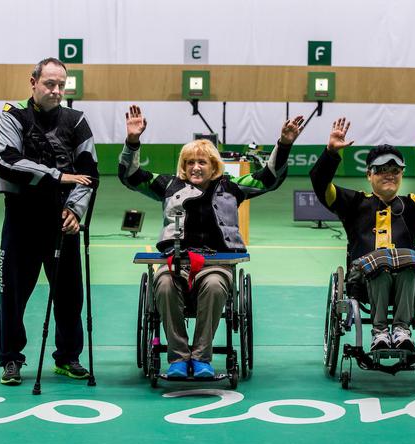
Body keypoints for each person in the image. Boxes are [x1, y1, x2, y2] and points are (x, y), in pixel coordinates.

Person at [119, 105, 304, 378]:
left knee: (216, 286)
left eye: (202, 162)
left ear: (214, 166)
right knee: (165, 284)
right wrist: (133, 141)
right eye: (190, 162)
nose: (196, 167)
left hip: (216, 262)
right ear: (183, 167)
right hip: (175, 260)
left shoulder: (232, 187)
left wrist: (284, 144)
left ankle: (202, 358)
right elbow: (131, 176)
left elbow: (269, 178)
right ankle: (179, 359)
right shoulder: (168, 185)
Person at [310, 119, 415, 352]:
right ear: (369, 174)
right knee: (381, 261)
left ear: (401, 174)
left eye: (395, 170)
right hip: (363, 281)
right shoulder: (353, 203)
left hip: (406, 278)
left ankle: (402, 330)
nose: (389, 175)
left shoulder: (414, 204)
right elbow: (320, 184)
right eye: (381, 170)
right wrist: (330, 153)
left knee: (410, 263)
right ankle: (379, 332)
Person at [0, 57, 98, 385]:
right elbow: (6, 162)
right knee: (12, 294)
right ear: (33, 83)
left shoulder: (77, 121)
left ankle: (68, 358)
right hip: (22, 220)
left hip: (62, 222)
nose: (55, 90)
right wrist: (58, 176)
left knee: (69, 296)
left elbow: (89, 174)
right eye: (49, 84)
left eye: (61, 85)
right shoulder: (11, 116)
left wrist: (75, 212)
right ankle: (11, 359)